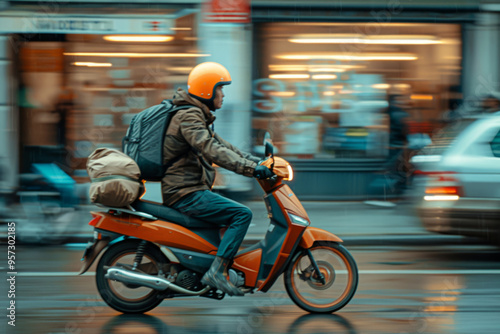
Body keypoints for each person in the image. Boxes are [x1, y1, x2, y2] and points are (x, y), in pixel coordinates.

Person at [161, 62, 274, 296]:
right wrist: (249, 170)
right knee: (242, 214)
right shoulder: (189, 116)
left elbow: (225, 146)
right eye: (220, 89)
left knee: (225, 219)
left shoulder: (197, 115)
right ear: (207, 91)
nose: (222, 95)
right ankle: (217, 272)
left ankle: (207, 268)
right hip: (185, 193)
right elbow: (210, 149)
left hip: (191, 189)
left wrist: (256, 162)